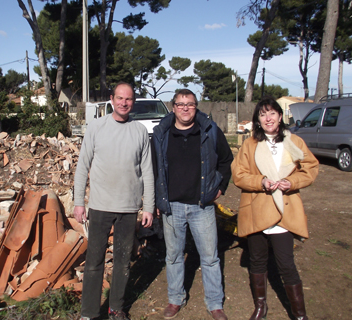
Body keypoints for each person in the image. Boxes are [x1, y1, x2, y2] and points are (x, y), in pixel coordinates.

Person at [231, 96, 319, 320]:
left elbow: (310, 168)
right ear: (257, 120)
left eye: (272, 113)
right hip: (257, 209)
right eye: (263, 114)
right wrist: (260, 181)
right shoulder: (250, 144)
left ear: (280, 116)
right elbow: (238, 175)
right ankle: (261, 307)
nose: (268, 118)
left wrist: (293, 182)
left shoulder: (295, 142)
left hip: (284, 211)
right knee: (257, 261)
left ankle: (300, 314)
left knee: (286, 264)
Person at [73, 82, 154, 320]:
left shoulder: (139, 131)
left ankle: (116, 308)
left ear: (133, 102)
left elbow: (148, 171)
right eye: (119, 98)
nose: (123, 103)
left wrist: (148, 206)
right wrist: (79, 202)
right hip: (99, 206)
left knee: (122, 262)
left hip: (128, 208)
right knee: (94, 262)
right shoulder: (97, 127)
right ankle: (89, 312)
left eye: (128, 99)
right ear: (111, 99)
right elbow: (82, 167)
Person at [151, 89, 233, 320]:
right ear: (173, 107)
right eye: (180, 104)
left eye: (190, 104)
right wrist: (158, 199)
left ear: (196, 106)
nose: (185, 108)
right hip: (173, 207)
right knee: (174, 255)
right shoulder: (161, 135)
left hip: (202, 206)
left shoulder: (210, 131)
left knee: (209, 257)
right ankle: (175, 299)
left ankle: (215, 303)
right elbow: (154, 169)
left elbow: (226, 160)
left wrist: (220, 188)